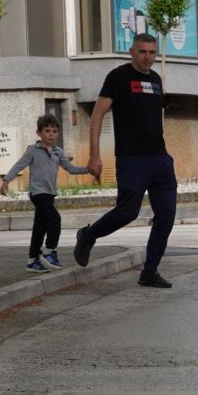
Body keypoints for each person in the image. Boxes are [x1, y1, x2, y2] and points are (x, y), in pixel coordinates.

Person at [72, 33, 177, 288]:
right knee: (127, 212)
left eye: (152, 53)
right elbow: (97, 115)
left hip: (160, 160)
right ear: (131, 52)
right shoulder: (117, 77)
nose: (147, 58)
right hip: (132, 159)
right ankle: (88, 234)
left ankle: (150, 271)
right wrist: (94, 155)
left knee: (167, 216)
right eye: (142, 52)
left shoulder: (155, 79)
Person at [0, 114, 92, 273]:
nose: (51, 134)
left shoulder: (58, 152)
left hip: (49, 194)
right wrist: (6, 180)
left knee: (40, 227)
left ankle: (32, 260)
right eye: (47, 131)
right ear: (39, 133)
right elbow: (19, 165)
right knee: (55, 219)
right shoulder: (33, 151)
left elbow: (71, 169)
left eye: (54, 131)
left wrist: (89, 169)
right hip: (37, 193)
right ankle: (49, 252)